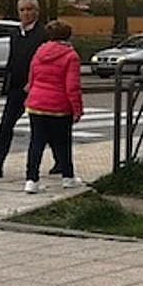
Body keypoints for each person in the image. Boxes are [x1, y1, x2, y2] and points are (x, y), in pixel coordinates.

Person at [0, 0, 48, 179]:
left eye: (29, 9)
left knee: (42, 129)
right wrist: (7, 84)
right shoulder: (15, 34)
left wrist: (34, 82)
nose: (26, 13)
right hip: (16, 89)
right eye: (22, 10)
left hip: (36, 89)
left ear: (36, 12)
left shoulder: (43, 35)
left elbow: (44, 63)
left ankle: (60, 163)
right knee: (5, 127)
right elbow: (12, 60)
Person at [23, 20, 84, 193]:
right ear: (68, 36)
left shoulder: (40, 51)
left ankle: (31, 180)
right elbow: (72, 86)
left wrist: (30, 92)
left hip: (36, 103)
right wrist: (77, 109)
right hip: (59, 106)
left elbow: (32, 75)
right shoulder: (71, 56)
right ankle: (68, 177)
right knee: (63, 143)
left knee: (36, 142)